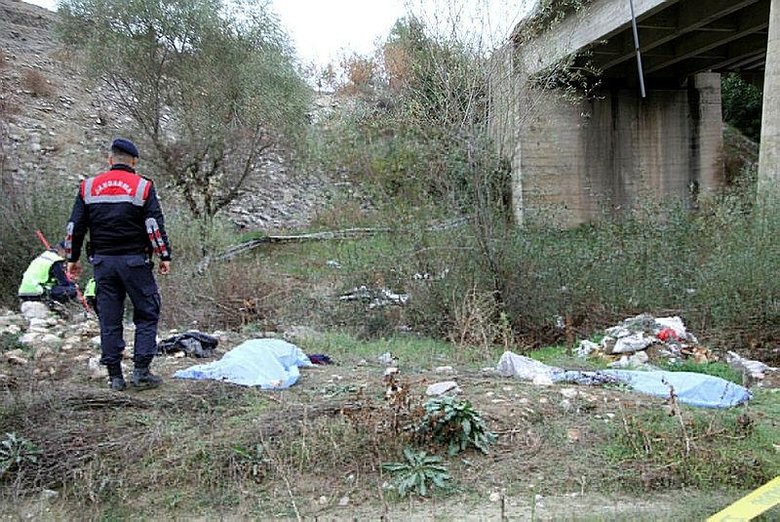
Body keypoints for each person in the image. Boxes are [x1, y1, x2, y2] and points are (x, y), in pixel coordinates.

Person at [65, 138, 172, 391]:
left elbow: (74, 228)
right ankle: (141, 372)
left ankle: (114, 376)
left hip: (103, 263)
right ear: (133, 161)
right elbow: (153, 227)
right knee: (146, 313)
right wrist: (164, 256)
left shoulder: (88, 187)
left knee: (109, 318)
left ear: (109, 159)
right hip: (135, 262)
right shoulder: (143, 187)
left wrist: (72, 258)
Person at [18, 241, 77, 305]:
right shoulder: (56, 260)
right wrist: (74, 285)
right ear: (62, 250)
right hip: (37, 291)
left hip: (23, 292)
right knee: (72, 290)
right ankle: (54, 306)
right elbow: (64, 282)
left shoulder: (43, 256)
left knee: (58, 287)